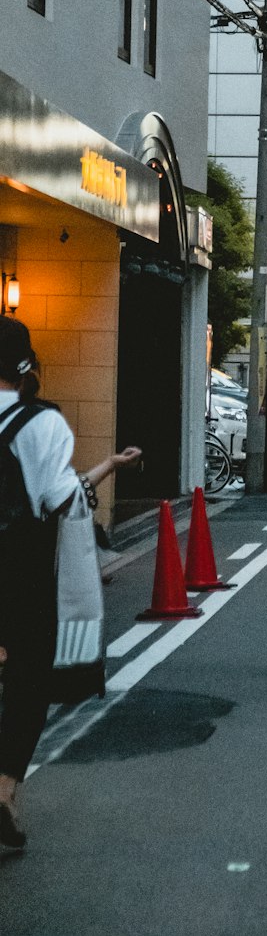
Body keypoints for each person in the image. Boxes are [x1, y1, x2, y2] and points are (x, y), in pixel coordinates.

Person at [0, 317, 141, 850]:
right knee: (28, 683)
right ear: (26, 366)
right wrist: (108, 466)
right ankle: (5, 787)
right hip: (21, 571)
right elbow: (62, 501)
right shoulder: (43, 423)